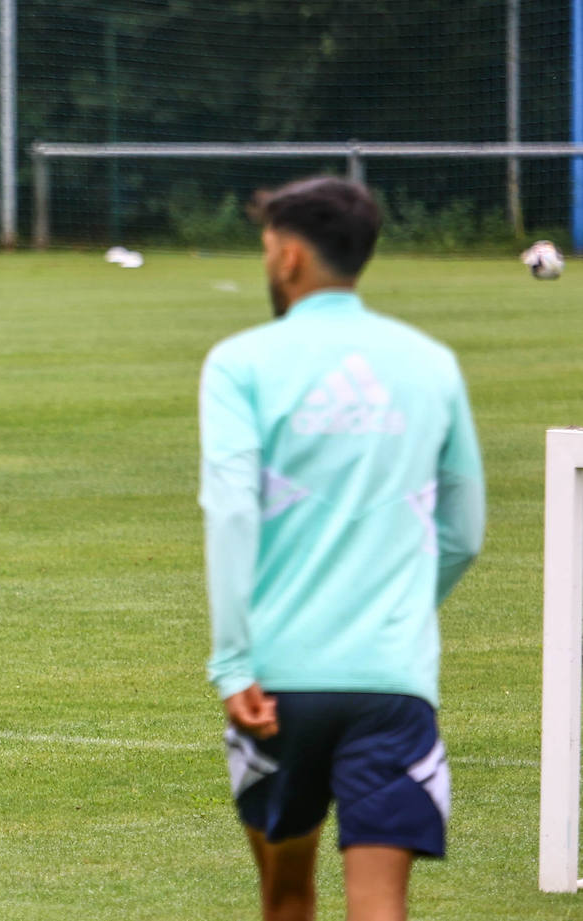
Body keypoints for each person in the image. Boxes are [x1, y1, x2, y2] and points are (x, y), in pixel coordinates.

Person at [198, 176, 484, 920]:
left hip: (274, 684)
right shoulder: (432, 363)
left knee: (286, 895)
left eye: (266, 248)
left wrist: (233, 660)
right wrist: (392, 610)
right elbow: (464, 532)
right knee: (379, 907)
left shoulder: (238, 362)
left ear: (290, 257)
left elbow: (231, 513)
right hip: (392, 679)